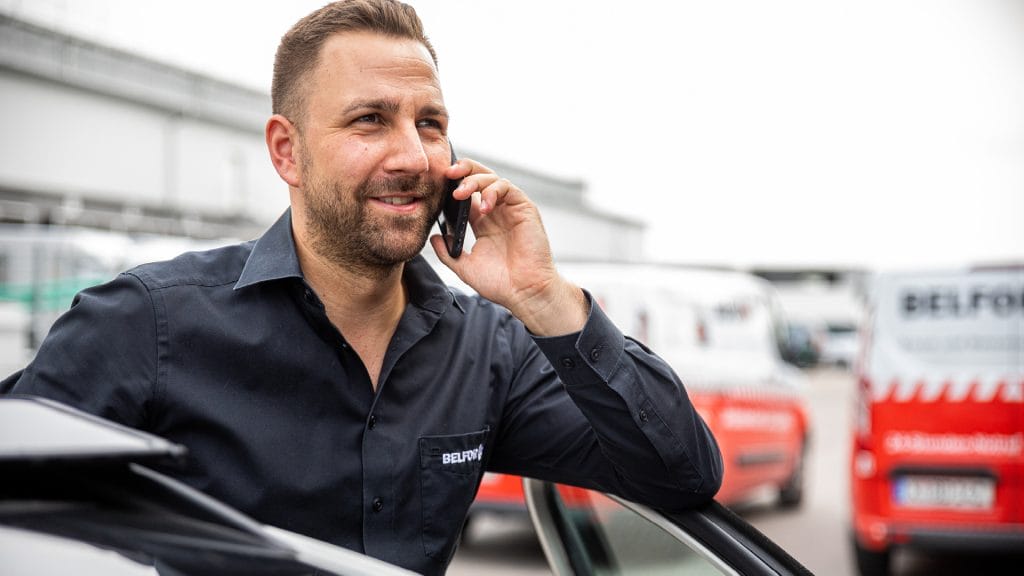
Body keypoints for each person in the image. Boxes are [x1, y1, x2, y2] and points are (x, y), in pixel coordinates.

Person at [2, 1, 722, 574]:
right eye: (369, 120)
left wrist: (543, 295)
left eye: (430, 123)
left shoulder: (490, 349)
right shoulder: (150, 323)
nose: (411, 155)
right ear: (287, 150)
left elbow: (681, 474)